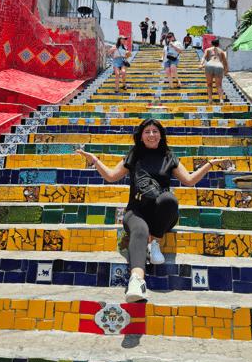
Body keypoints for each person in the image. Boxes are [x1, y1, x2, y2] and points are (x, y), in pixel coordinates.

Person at [76, 119, 229, 302]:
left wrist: (210, 164)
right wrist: (94, 160)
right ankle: (137, 281)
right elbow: (110, 177)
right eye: (146, 131)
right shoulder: (133, 156)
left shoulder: (169, 157)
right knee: (139, 231)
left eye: (155, 131)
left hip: (161, 215)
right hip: (136, 211)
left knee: (169, 199)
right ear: (141, 136)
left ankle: (155, 242)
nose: (151, 135)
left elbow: (189, 180)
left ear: (161, 135)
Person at [198, 39, 228, 103]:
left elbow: (204, 57)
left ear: (211, 44)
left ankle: (210, 99)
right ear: (218, 45)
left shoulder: (208, 50)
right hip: (219, 65)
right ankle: (221, 100)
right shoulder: (221, 51)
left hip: (210, 64)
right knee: (219, 86)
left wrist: (201, 64)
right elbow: (225, 63)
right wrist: (225, 71)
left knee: (209, 84)